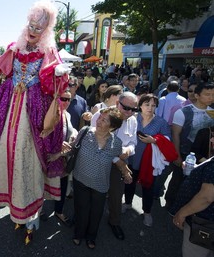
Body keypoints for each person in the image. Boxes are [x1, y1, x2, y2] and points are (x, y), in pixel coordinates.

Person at [0, 0, 70, 244]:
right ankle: (18, 210)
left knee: (30, 159)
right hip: (9, 107)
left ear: (46, 31)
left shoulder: (48, 52)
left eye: (38, 28)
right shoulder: (14, 48)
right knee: (9, 156)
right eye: (31, 25)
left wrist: (58, 74)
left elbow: (54, 83)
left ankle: (32, 213)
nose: (33, 31)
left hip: (34, 112)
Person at [70, 107, 132, 249]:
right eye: (99, 118)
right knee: (81, 209)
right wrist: (60, 153)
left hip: (100, 184)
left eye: (104, 120)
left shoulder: (116, 143)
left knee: (96, 212)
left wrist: (124, 170)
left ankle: (91, 236)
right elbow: (73, 148)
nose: (99, 121)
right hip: (80, 179)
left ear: (113, 126)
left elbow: (115, 158)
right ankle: (79, 233)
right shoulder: (85, 133)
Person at [90, 91, 138, 240]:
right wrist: (119, 160)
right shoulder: (101, 116)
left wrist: (128, 150)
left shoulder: (133, 121)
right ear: (117, 104)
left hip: (120, 164)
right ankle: (87, 221)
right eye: (126, 108)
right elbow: (95, 143)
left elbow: (133, 143)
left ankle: (114, 222)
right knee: (93, 194)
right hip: (99, 162)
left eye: (133, 109)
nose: (129, 112)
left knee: (116, 195)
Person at [123, 94, 172, 227]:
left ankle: (147, 212)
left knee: (148, 187)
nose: (150, 108)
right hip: (132, 158)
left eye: (153, 105)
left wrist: (155, 140)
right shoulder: (133, 118)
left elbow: (168, 139)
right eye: (147, 104)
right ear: (140, 106)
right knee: (129, 183)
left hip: (149, 162)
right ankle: (127, 203)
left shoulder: (161, 122)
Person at [165, 82, 214, 209]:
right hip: (185, 154)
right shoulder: (183, 112)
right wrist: (177, 156)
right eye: (207, 94)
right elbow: (176, 134)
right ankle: (170, 204)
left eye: (213, 95)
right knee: (178, 180)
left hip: (205, 156)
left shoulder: (212, 113)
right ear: (197, 95)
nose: (211, 97)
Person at [45, 89, 77, 226]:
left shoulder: (67, 115)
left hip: (62, 158)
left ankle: (59, 211)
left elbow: (70, 130)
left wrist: (73, 134)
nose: (66, 102)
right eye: (63, 98)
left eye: (69, 99)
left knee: (62, 187)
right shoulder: (48, 114)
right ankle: (38, 211)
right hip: (47, 157)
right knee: (42, 185)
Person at [170, 157, 214, 257]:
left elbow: (207, 197)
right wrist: (196, 169)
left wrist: (182, 213)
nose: (211, 140)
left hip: (203, 225)